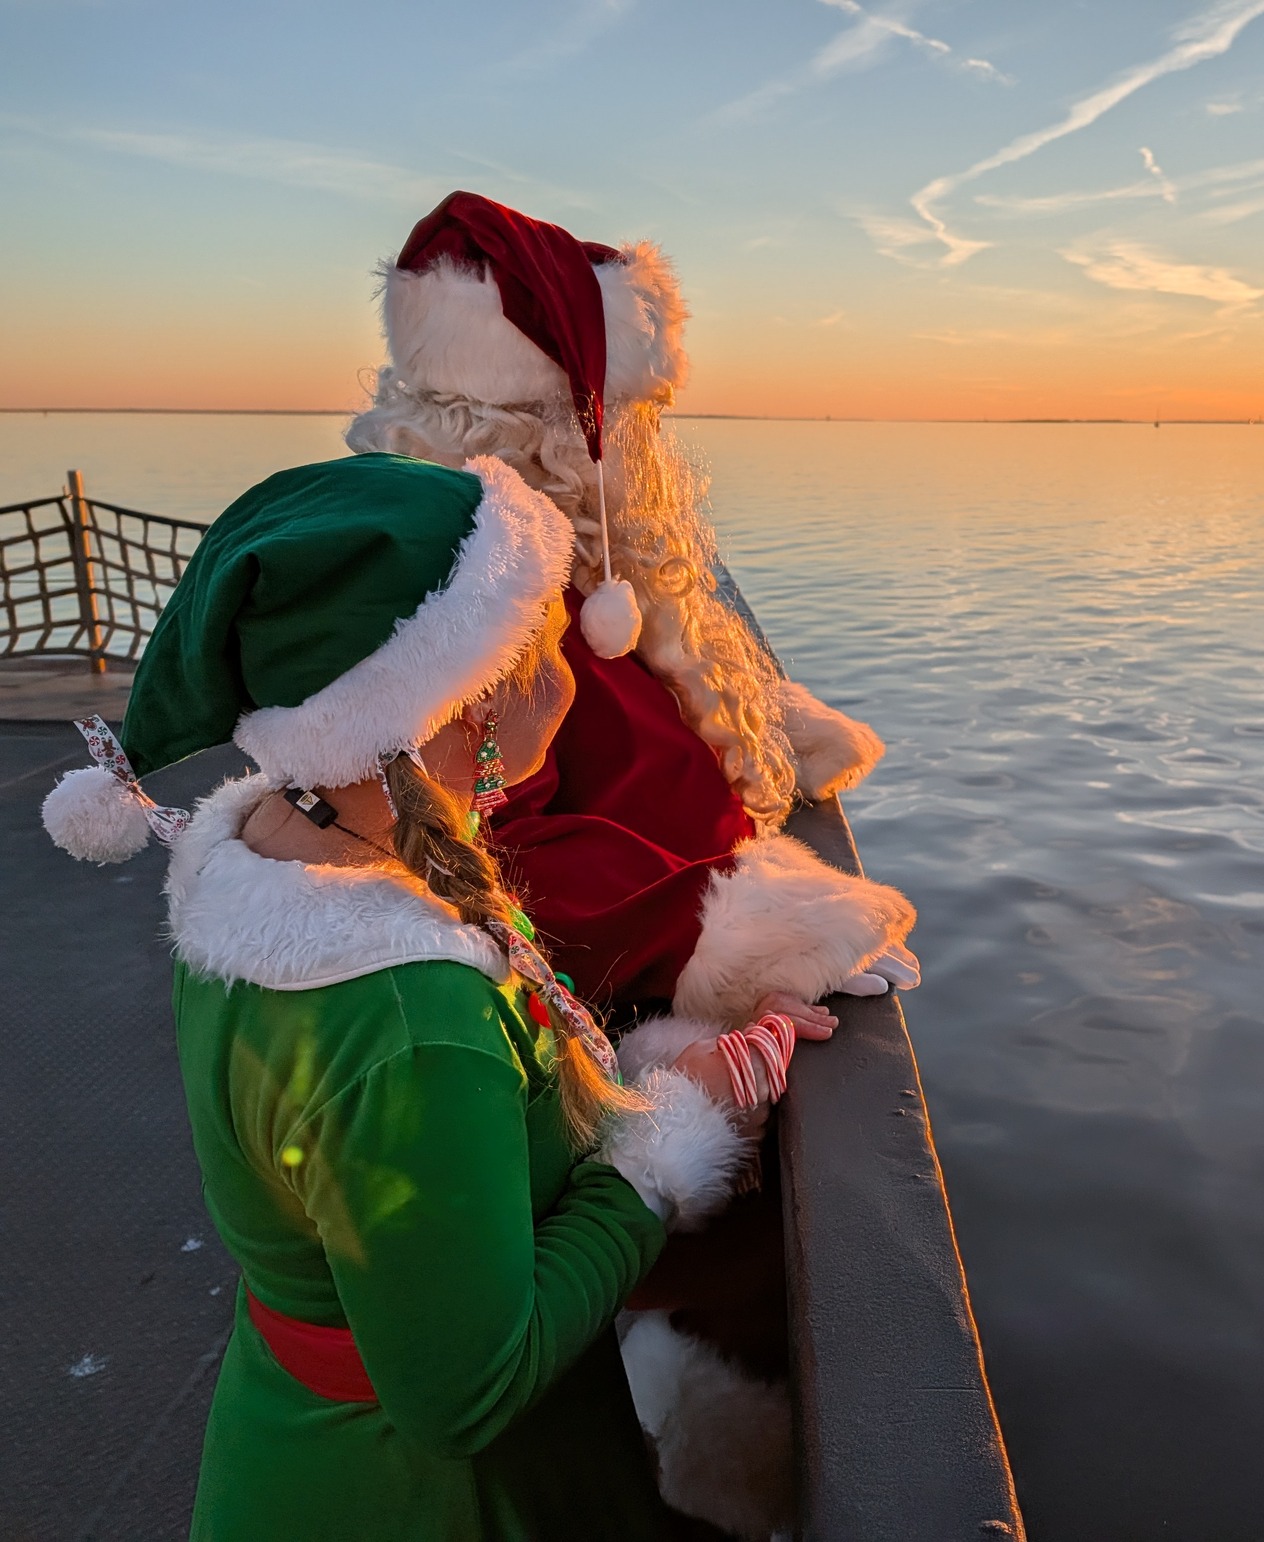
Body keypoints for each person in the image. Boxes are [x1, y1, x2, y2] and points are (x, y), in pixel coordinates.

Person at [41, 453, 816, 1541]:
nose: (582, 666)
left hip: (289, 1442)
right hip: (427, 1502)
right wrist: (675, 1140)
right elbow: (464, 1393)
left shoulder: (270, 858)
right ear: (472, 704)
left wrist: (634, 1084)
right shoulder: (409, 1021)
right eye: (546, 649)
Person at [343, 191, 918, 1023]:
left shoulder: (564, 542)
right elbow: (492, 845)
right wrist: (730, 942)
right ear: (570, 418)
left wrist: (749, 724)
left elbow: (618, 722)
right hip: (624, 1009)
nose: (649, 442)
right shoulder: (469, 583)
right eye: (634, 415)